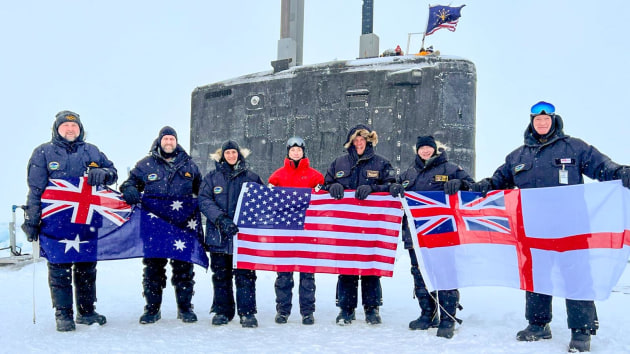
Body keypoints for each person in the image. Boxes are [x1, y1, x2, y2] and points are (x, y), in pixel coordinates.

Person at [471, 101, 630, 352]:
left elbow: (602, 167)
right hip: (534, 228)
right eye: (537, 120)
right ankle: (538, 324)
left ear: (554, 121)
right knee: (536, 276)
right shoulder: (518, 156)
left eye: (546, 119)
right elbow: (498, 181)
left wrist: (622, 172)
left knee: (576, 277)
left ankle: (581, 330)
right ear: (531, 123)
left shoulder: (574, 147)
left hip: (572, 227)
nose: (542, 123)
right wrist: (474, 187)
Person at [22, 110, 117, 331]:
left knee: (86, 268)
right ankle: (63, 315)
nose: (70, 129)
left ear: (80, 129)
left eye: (74, 126)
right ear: (57, 129)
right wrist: (32, 221)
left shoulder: (91, 151)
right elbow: (35, 191)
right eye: (65, 126)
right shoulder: (43, 153)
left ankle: (86, 311)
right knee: (59, 268)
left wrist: (103, 172)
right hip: (56, 222)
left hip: (87, 221)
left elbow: (113, 172)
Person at [389, 135, 474, 339]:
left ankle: (447, 318)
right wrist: (394, 187)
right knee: (420, 275)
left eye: (429, 148)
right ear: (417, 150)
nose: (425, 151)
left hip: (441, 232)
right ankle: (427, 314)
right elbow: (394, 187)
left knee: (444, 274)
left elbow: (472, 186)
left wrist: (459, 183)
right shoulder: (409, 172)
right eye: (422, 148)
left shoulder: (450, 168)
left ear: (435, 149)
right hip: (415, 235)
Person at [119, 126, 202, 324]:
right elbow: (128, 183)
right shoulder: (145, 165)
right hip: (153, 226)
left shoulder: (189, 166)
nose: (168, 142)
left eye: (172, 139)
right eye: (165, 139)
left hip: (182, 225)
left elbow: (202, 191)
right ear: (159, 141)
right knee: (153, 269)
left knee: (184, 269)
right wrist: (129, 190)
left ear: (176, 142)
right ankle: (152, 309)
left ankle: (185, 308)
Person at [323, 124, 396, 325]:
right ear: (351, 142)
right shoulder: (338, 163)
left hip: (372, 225)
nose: (359, 143)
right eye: (356, 140)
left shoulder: (381, 163)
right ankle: (346, 309)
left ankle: (372, 309)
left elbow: (391, 186)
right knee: (347, 266)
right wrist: (333, 186)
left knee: (371, 266)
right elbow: (324, 185)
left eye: (363, 140)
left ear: (369, 141)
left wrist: (373, 188)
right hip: (345, 226)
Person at [198, 140, 263, 328]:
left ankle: (247, 312)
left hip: (243, 239)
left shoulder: (251, 177)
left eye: (234, 152)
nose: (231, 156)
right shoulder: (211, 178)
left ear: (239, 155)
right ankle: (222, 311)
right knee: (221, 275)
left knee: (246, 275)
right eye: (228, 153)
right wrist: (221, 219)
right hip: (218, 235)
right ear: (222, 155)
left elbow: (261, 201)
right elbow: (204, 200)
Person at [268, 137, 325, 325]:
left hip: (307, 232)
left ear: (303, 152)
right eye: (292, 150)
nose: (296, 153)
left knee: (307, 274)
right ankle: (283, 310)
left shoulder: (315, 176)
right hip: (284, 232)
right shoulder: (277, 176)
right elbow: (270, 200)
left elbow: (321, 199)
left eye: (299, 150)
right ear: (288, 152)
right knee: (284, 274)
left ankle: (307, 312)